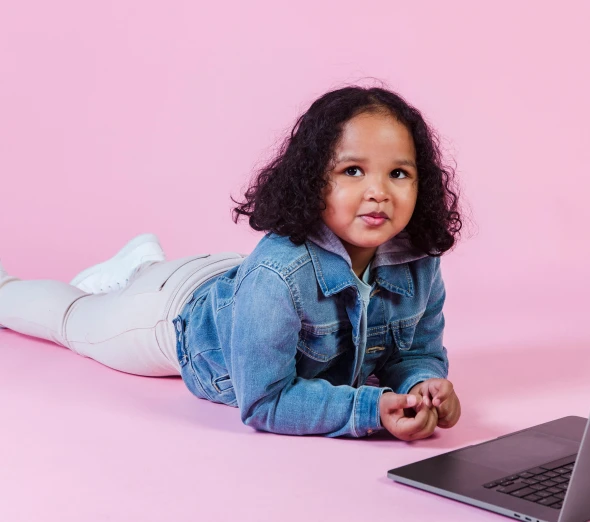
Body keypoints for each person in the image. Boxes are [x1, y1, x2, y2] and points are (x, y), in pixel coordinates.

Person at [0, 85, 464, 440]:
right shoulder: (276, 277)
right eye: (352, 171)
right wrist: (370, 411)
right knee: (73, 319)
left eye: (399, 173)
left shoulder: (418, 260)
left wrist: (425, 384)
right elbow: (265, 401)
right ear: (312, 181)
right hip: (168, 313)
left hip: (233, 281)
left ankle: (141, 263)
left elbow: (415, 352)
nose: (379, 190)